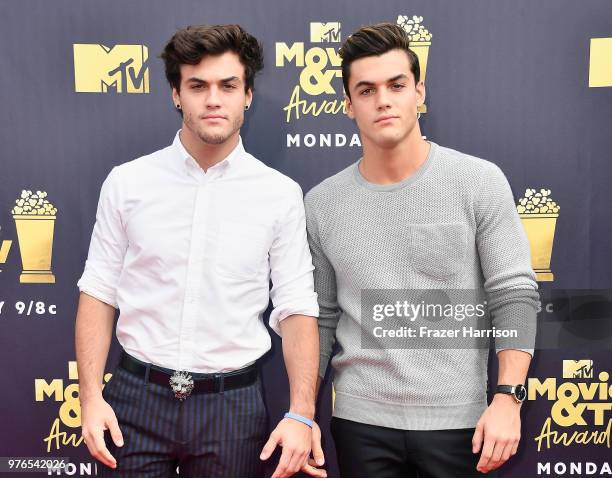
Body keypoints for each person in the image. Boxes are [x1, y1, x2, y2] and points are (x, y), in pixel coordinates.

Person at [76, 24, 326, 478]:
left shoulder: (279, 194)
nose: (214, 99)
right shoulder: (128, 183)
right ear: (176, 94)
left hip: (233, 407)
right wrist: (90, 398)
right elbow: (98, 292)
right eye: (198, 86)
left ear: (247, 94)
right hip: (134, 399)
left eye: (228, 85)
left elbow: (296, 308)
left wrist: (301, 413)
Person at [305, 23, 539, 477]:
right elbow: (321, 317)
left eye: (397, 85)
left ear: (419, 91)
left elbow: (513, 294)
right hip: (358, 423)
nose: (384, 100)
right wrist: (301, 410)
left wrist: (508, 398)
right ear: (349, 105)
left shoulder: (478, 181)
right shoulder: (321, 204)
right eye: (367, 90)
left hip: (462, 422)